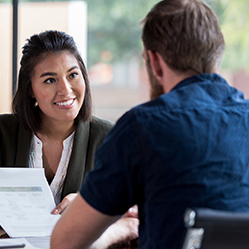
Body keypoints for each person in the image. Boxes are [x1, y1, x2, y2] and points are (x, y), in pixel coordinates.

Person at [51, 0, 249, 249]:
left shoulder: (142, 127)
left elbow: (64, 242)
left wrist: (123, 227)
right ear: (217, 53)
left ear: (154, 62)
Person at [0, 30, 129, 236]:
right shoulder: (1, 132)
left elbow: (133, 209)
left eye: (73, 75)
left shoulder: (108, 137)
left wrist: (88, 205)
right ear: (30, 89)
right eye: (50, 80)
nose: (66, 89)